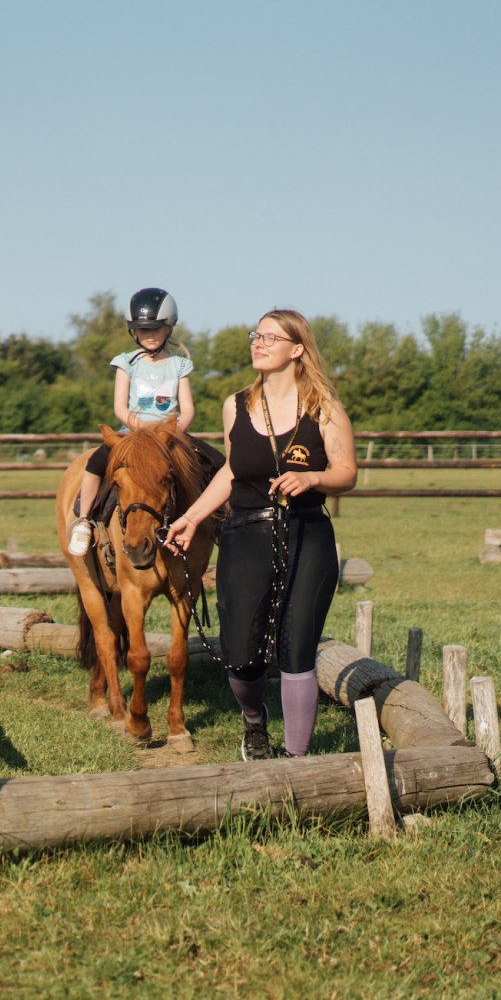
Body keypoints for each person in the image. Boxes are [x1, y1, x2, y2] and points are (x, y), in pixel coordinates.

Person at [163, 308, 359, 761]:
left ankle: (296, 762)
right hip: (245, 534)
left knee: (297, 648)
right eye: (257, 335)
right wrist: (192, 518)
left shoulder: (323, 407)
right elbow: (233, 469)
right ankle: (255, 722)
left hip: (306, 535)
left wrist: (313, 479)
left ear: (297, 350)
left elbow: (347, 472)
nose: (259, 342)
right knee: (242, 654)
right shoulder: (236, 405)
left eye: (271, 337)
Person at [67, 287, 198, 555]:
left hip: (169, 436)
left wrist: (173, 432)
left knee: (212, 462)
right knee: (95, 463)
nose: (149, 335)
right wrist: (141, 432)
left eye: (155, 329)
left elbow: (187, 410)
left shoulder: (179, 365)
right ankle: (84, 520)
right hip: (132, 434)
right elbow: (120, 407)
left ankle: (221, 522)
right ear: (133, 331)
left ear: (168, 327)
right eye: (142, 330)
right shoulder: (126, 363)